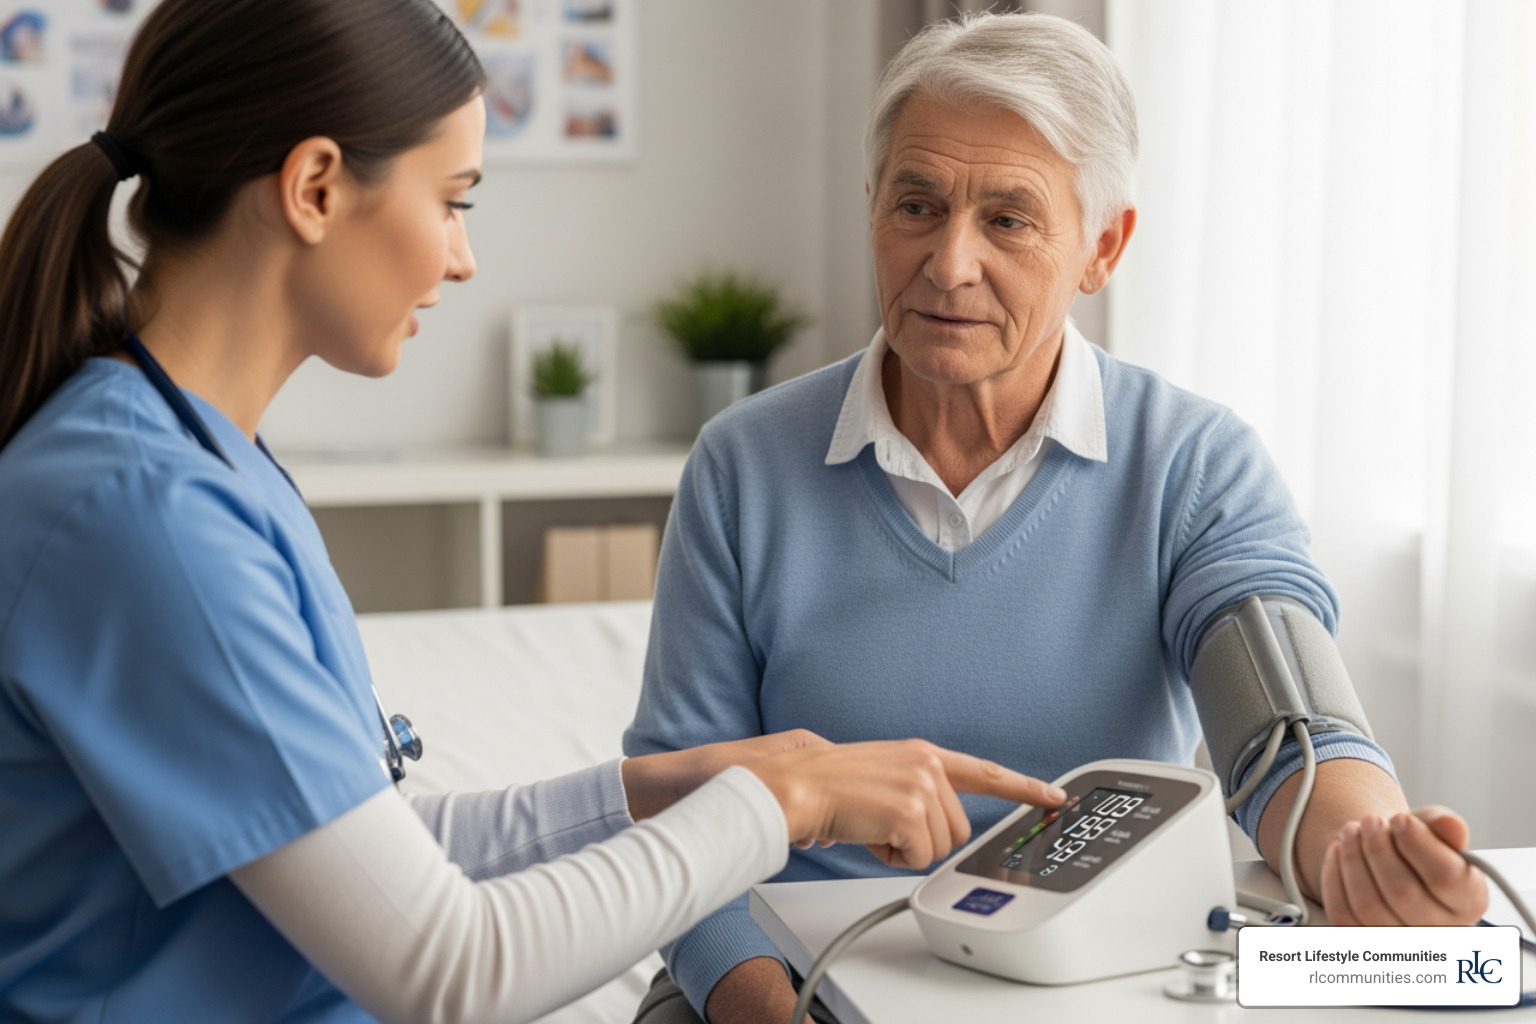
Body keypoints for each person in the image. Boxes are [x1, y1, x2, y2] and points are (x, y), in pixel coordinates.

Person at [0, 2, 1066, 1021]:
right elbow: (447, 967)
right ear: (315, 187)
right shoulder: (145, 516)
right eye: (453, 201)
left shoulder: (196, 463)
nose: (462, 258)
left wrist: (665, 787)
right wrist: (781, 808)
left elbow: (382, 857)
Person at [623, 13, 1490, 1024]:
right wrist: (772, 1009)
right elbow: (675, 820)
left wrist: (1368, 856)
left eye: (1008, 219)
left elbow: (1286, 729)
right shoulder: (742, 464)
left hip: (1087, 979)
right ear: (872, 208)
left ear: (1101, 247)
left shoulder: (1194, 464)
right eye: (917, 205)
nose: (949, 262)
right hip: (779, 976)